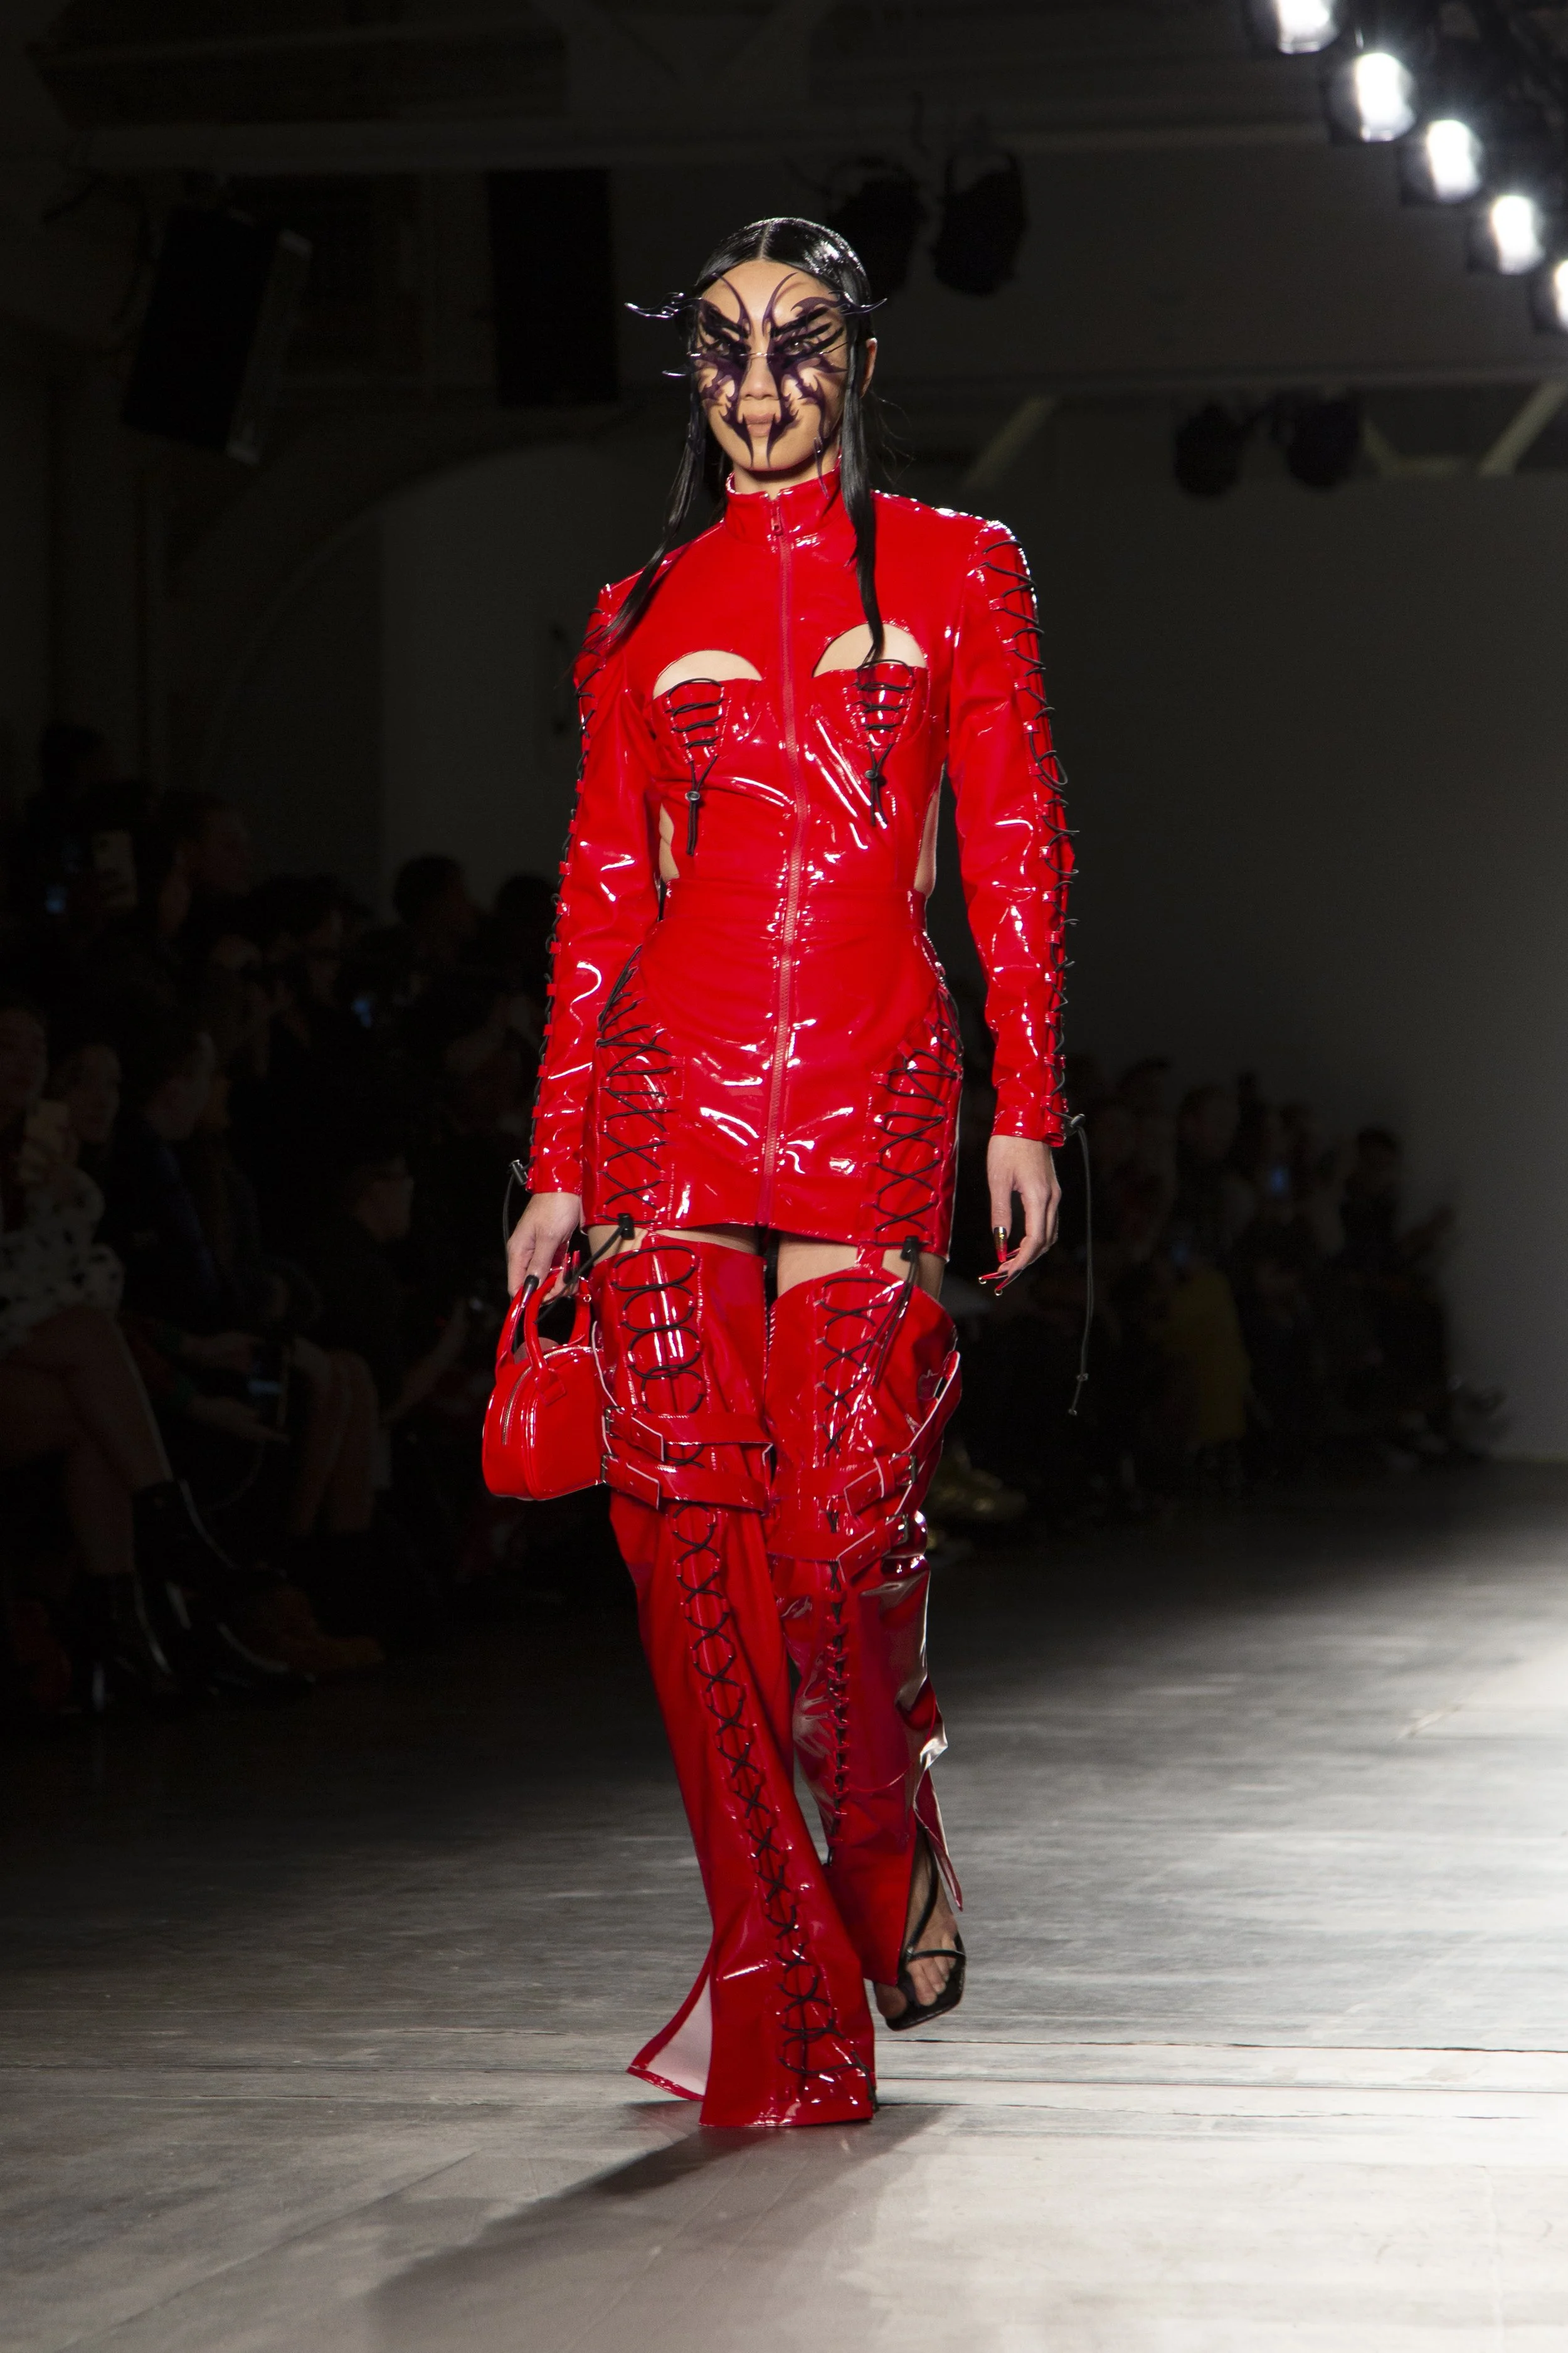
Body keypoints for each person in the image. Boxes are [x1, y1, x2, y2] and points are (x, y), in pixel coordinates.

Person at [506, 218, 1072, 2129]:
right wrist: (556, 1159)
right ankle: (779, 1985)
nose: (756, 382)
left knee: (844, 1536)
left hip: (870, 1089)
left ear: (856, 357)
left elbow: (1010, 842)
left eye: (796, 342)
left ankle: (885, 1827)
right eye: (724, 347)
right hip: (671, 1103)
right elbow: (601, 900)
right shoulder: (633, 610)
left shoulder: (959, 568)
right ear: (693, 372)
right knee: (693, 1563)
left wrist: (1027, 1100)